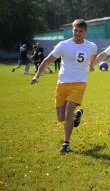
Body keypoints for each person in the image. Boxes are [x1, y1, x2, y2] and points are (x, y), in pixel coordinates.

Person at [30, 19, 97, 154]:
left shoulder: (91, 46)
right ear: (72, 30)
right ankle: (77, 115)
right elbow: (47, 60)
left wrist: (90, 65)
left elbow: (93, 56)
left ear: (85, 32)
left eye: (80, 31)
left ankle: (66, 144)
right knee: (61, 117)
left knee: (68, 110)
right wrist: (37, 75)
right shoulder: (63, 45)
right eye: (75, 30)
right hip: (62, 83)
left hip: (79, 83)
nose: (77, 33)